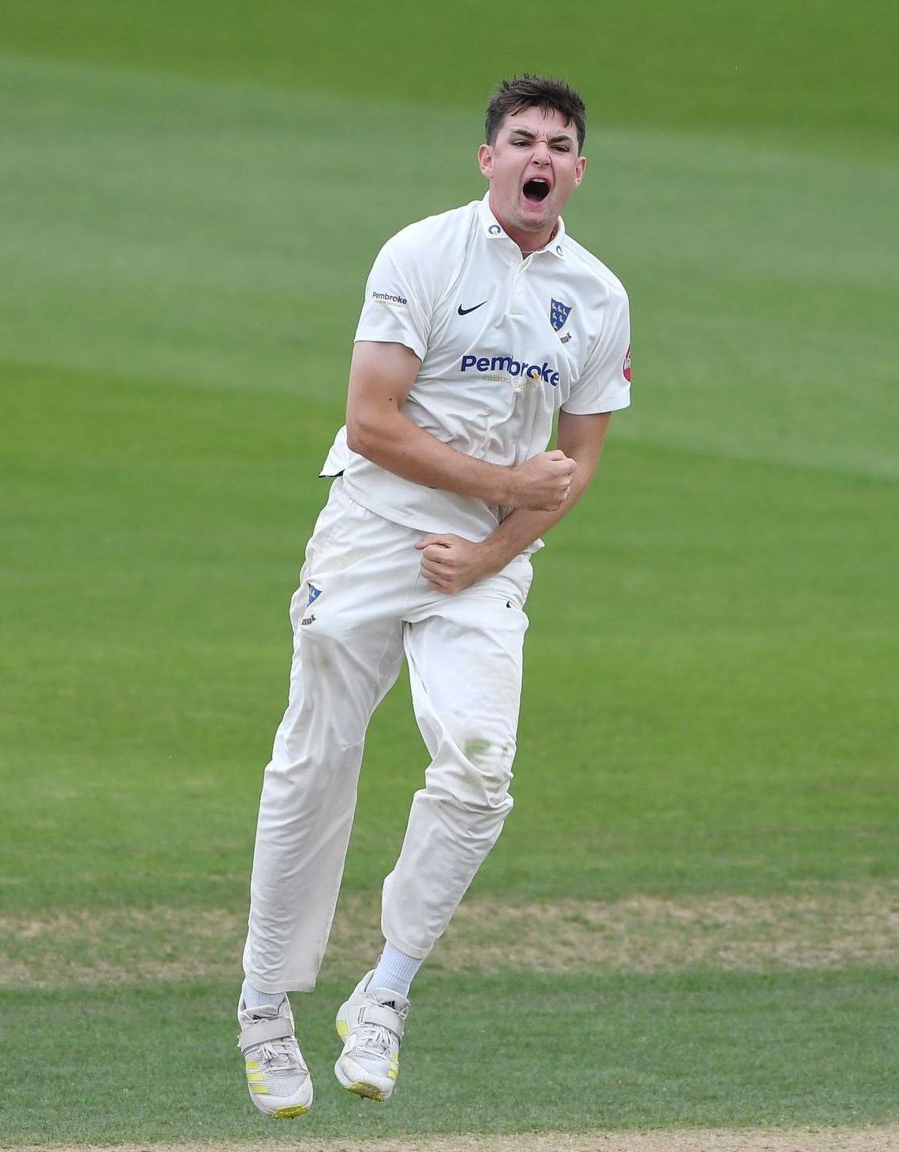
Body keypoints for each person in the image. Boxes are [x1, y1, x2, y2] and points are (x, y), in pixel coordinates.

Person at [234, 74, 632, 1118]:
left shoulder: (594, 295)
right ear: (488, 159)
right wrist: (501, 490)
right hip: (372, 528)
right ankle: (263, 1006)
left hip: (483, 559)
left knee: (480, 770)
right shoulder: (420, 254)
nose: (536, 156)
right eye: (519, 139)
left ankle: (386, 992)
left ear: (576, 172)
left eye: (556, 144)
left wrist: (495, 547)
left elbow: (575, 462)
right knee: (314, 759)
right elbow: (370, 420)